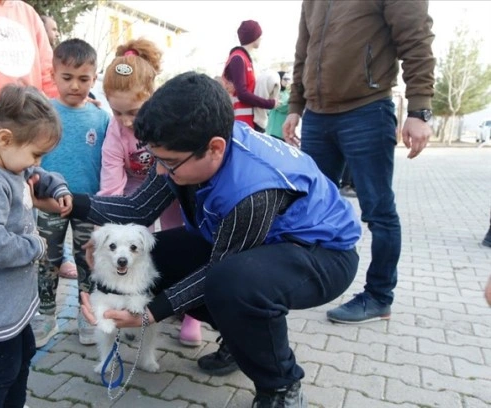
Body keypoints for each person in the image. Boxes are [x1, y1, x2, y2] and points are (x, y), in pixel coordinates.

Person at [73, 72, 361, 408]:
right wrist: (67, 202)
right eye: (157, 159)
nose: (162, 171)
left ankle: (281, 384)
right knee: (152, 260)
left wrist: (149, 314)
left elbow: (216, 269)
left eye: (168, 163)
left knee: (232, 283)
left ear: (214, 148)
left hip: (322, 255)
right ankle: (241, 341)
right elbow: (138, 206)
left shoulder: (252, 190)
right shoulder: (189, 143)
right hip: (253, 244)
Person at [282, 0, 435, 324]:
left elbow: (415, 37)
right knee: (308, 207)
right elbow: (303, 51)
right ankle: (303, 283)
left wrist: (419, 109)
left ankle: (379, 296)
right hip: (318, 115)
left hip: (366, 110)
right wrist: (295, 105)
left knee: (379, 212)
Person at [0, 85, 71, 408]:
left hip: (13, 301)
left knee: (23, 356)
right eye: (35, 153)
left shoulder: (10, 165)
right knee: (1, 370)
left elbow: (36, 173)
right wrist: (34, 246)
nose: (37, 162)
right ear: (5, 138)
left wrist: (56, 185)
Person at [98, 38, 203, 347]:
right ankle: (131, 301)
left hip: (172, 186)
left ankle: (191, 310)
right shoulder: (115, 133)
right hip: (134, 194)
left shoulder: (171, 123)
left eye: (133, 111)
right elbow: (111, 191)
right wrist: (105, 230)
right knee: (131, 245)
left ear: (152, 98)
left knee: (181, 239)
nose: (126, 121)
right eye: (117, 113)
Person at [31, 39, 111, 348]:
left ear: (94, 78)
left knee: (88, 260)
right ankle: (46, 314)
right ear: (53, 74)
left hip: (88, 206)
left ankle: (86, 313)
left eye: (84, 79)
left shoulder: (101, 118)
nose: (75, 86)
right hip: (49, 203)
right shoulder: (44, 113)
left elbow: (109, 161)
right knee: (47, 259)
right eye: (67, 78)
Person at [223, 20, 275, 131]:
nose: (261, 38)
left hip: (245, 120)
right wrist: (269, 103)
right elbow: (242, 94)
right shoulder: (238, 58)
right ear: (254, 37)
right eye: (259, 35)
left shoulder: (243, 58)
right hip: (241, 121)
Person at [266, 71, 290, 140]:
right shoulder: (275, 92)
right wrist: (291, 103)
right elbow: (280, 107)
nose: (287, 81)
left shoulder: (287, 93)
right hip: (274, 131)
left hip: (284, 131)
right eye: (285, 79)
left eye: (288, 79)